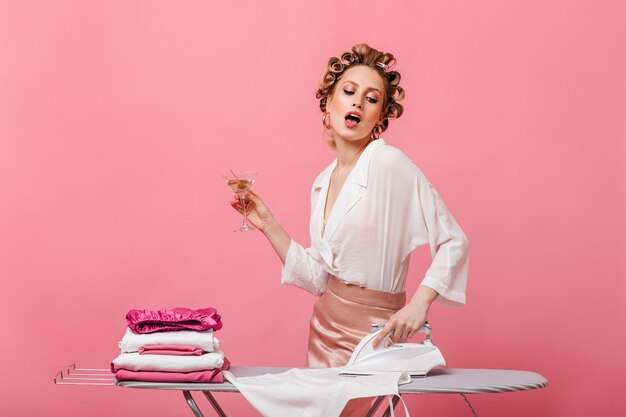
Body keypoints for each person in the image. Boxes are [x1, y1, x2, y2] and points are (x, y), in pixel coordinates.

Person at [229, 43, 470, 416]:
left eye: (371, 98)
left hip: (374, 336)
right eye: (348, 91)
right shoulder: (322, 183)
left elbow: (454, 240)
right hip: (324, 331)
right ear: (328, 104)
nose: (357, 102)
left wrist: (420, 303)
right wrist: (267, 223)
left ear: (380, 118)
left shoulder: (389, 164)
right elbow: (319, 279)